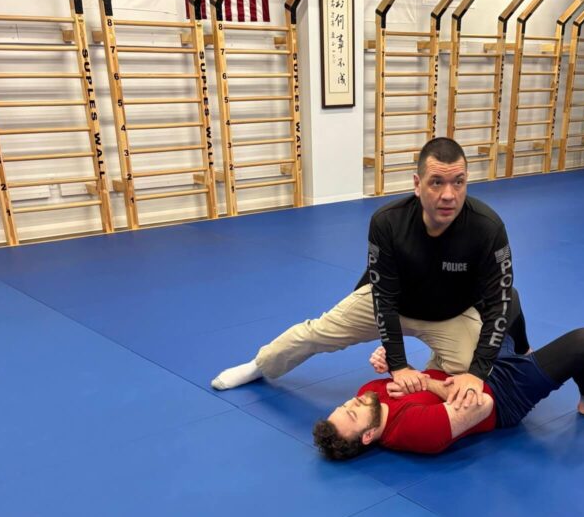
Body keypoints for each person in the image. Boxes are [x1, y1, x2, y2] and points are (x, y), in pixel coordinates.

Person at [212, 137, 523, 407]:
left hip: (449, 314)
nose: (449, 195)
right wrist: (398, 365)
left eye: (459, 181)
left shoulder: (487, 227)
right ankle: (259, 364)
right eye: (436, 182)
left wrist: (476, 373)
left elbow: (499, 302)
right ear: (417, 184)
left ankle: (429, 378)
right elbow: (384, 298)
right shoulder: (388, 222)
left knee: (474, 373)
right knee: (317, 333)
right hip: (392, 305)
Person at [312, 329, 584, 461]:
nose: (353, 401)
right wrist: (427, 384)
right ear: (368, 436)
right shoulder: (414, 432)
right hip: (503, 393)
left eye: (344, 404)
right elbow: (481, 405)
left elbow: (417, 383)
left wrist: (398, 367)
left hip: (469, 366)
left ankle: (523, 351)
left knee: (506, 298)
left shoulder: (367, 394)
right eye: (352, 413)